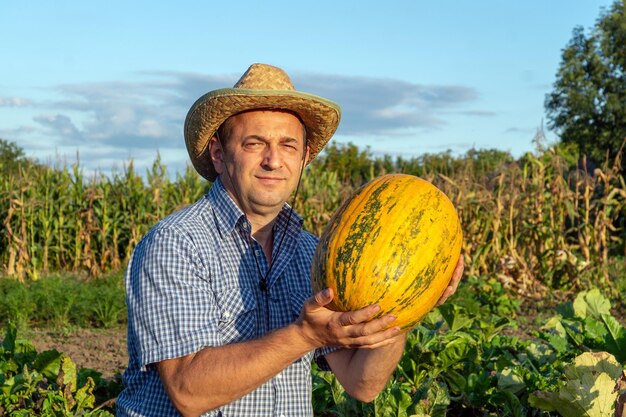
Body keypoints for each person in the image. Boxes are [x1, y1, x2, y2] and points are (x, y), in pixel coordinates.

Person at [116, 63, 464, 417]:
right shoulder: (176, 243)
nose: (273, 161)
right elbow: (188, 391)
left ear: (304, 158)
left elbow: (363, 384)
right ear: (219, 154)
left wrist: (406, 303)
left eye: (288, 145)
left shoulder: (312, 253)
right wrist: (305, 335)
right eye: (254, 144)